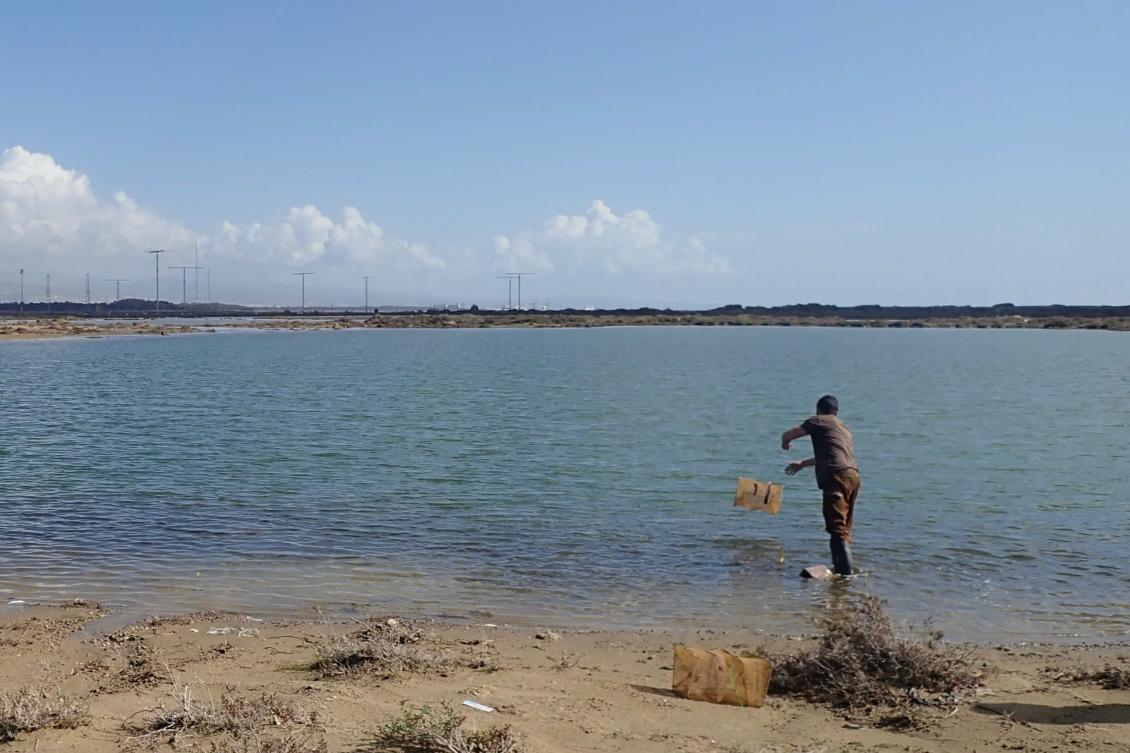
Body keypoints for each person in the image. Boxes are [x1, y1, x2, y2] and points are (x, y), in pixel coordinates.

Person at [780, 395, 861, 576]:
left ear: (819, 410)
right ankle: (841, 572)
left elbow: (789, 434)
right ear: (836, 412)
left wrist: (785, 442)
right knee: (844, 527)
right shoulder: (843, 428)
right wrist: (802, 464)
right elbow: (832, 457)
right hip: (853, 476)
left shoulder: (818, 420)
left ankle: (845, 577)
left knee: (837, 528)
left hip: (836, 478)